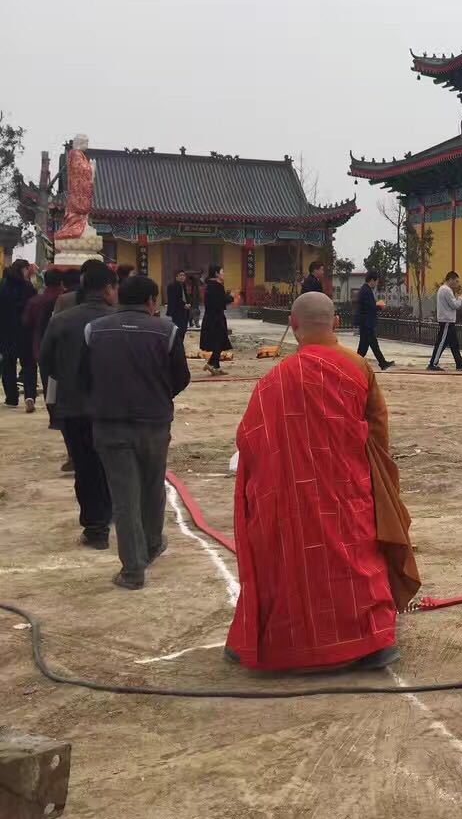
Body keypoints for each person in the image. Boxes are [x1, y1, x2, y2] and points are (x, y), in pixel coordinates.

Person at [225, 292, 420, 671]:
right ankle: (373, 643)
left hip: (291, 490)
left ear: (292, 326)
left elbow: (250, 438)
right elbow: (377, 433)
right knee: (356, 556)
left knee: (289, 556)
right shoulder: (356, 366)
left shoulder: (275, 379)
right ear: (335, 324)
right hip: (346, 487)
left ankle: (283, 642)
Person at [84, 276, 191, 589]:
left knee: (124, 498)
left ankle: (133, 570)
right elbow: (181, 378)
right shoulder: (168, 332)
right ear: (151, 301)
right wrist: (158, 395)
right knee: (152, 487)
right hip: (154, 424)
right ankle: (152, 544)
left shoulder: (94, 331)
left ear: (119, 298)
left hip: (109, 423)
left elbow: (82, 375)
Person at [40, 260, 117, 549]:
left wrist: (55, 401)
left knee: (84, 466)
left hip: (73, 406)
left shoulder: (61, 320)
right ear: (110, 288)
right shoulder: (118, 320)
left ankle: (96, 528)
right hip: (112, 409)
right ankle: (109, 515)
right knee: (110, 464)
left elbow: (45, 364)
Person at [0, 259, 38, 411]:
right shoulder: (27, 287)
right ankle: (29, 395)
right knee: (28, 365)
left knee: (8, 365)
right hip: (25, 332)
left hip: (5, 333)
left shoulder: (3, 286)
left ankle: (11, 398)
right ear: (23, 269)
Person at [23, 269, 64, 395]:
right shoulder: (68, 300)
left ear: (45, 282)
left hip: (41, 346)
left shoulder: (35, 301)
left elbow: (26, 322)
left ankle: (51, 404)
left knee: (48, 381)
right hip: (65, 347)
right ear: (61, 282)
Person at [428, 271, 462, 372]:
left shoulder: (445, 289)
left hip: (448, 320)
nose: (457, 283)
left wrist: (458, 298)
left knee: (454, 344)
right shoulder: (446, 290)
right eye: (456, 281)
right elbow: (455, 305)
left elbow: (452, 303)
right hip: (446, 320)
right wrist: (461, 298)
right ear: (450, 280)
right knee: (441, 343)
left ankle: (460, 363)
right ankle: (433, 364)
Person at [354, 272, 395, 370]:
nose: (376, 284)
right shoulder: (366, 291)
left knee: (367, 346)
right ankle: (356, 364)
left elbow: (368, 305)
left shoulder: (365, 289)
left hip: (366, 322)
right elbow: (371, 307)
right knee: (368, 346)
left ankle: (382, 363)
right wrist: (380, 307)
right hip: (366, 322)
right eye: (376, 281)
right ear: (372, 280)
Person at [200, 265, 233, 375]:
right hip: (215, 318)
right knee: (218, 342)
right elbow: (220, 302)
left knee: (218, 342)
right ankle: (210, 363)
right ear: (216, 274)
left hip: (212, 317)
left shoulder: (211, 285)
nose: (224, 274)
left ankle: (216, 367)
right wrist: (230, 297)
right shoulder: (216, 286)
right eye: (222, 272)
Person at [166, 270, 191, 344]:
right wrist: (184, 305)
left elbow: (185, 297)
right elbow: (174, 299)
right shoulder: (172, 286)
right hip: (177, 311)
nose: (182, 277)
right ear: (176, 277)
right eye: (180, 275)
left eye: (184, 275)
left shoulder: (183, 285)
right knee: (178, 330)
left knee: (183, 329)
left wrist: (189, 303)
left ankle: (180, 345)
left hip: (184, 311)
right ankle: (177, 346)